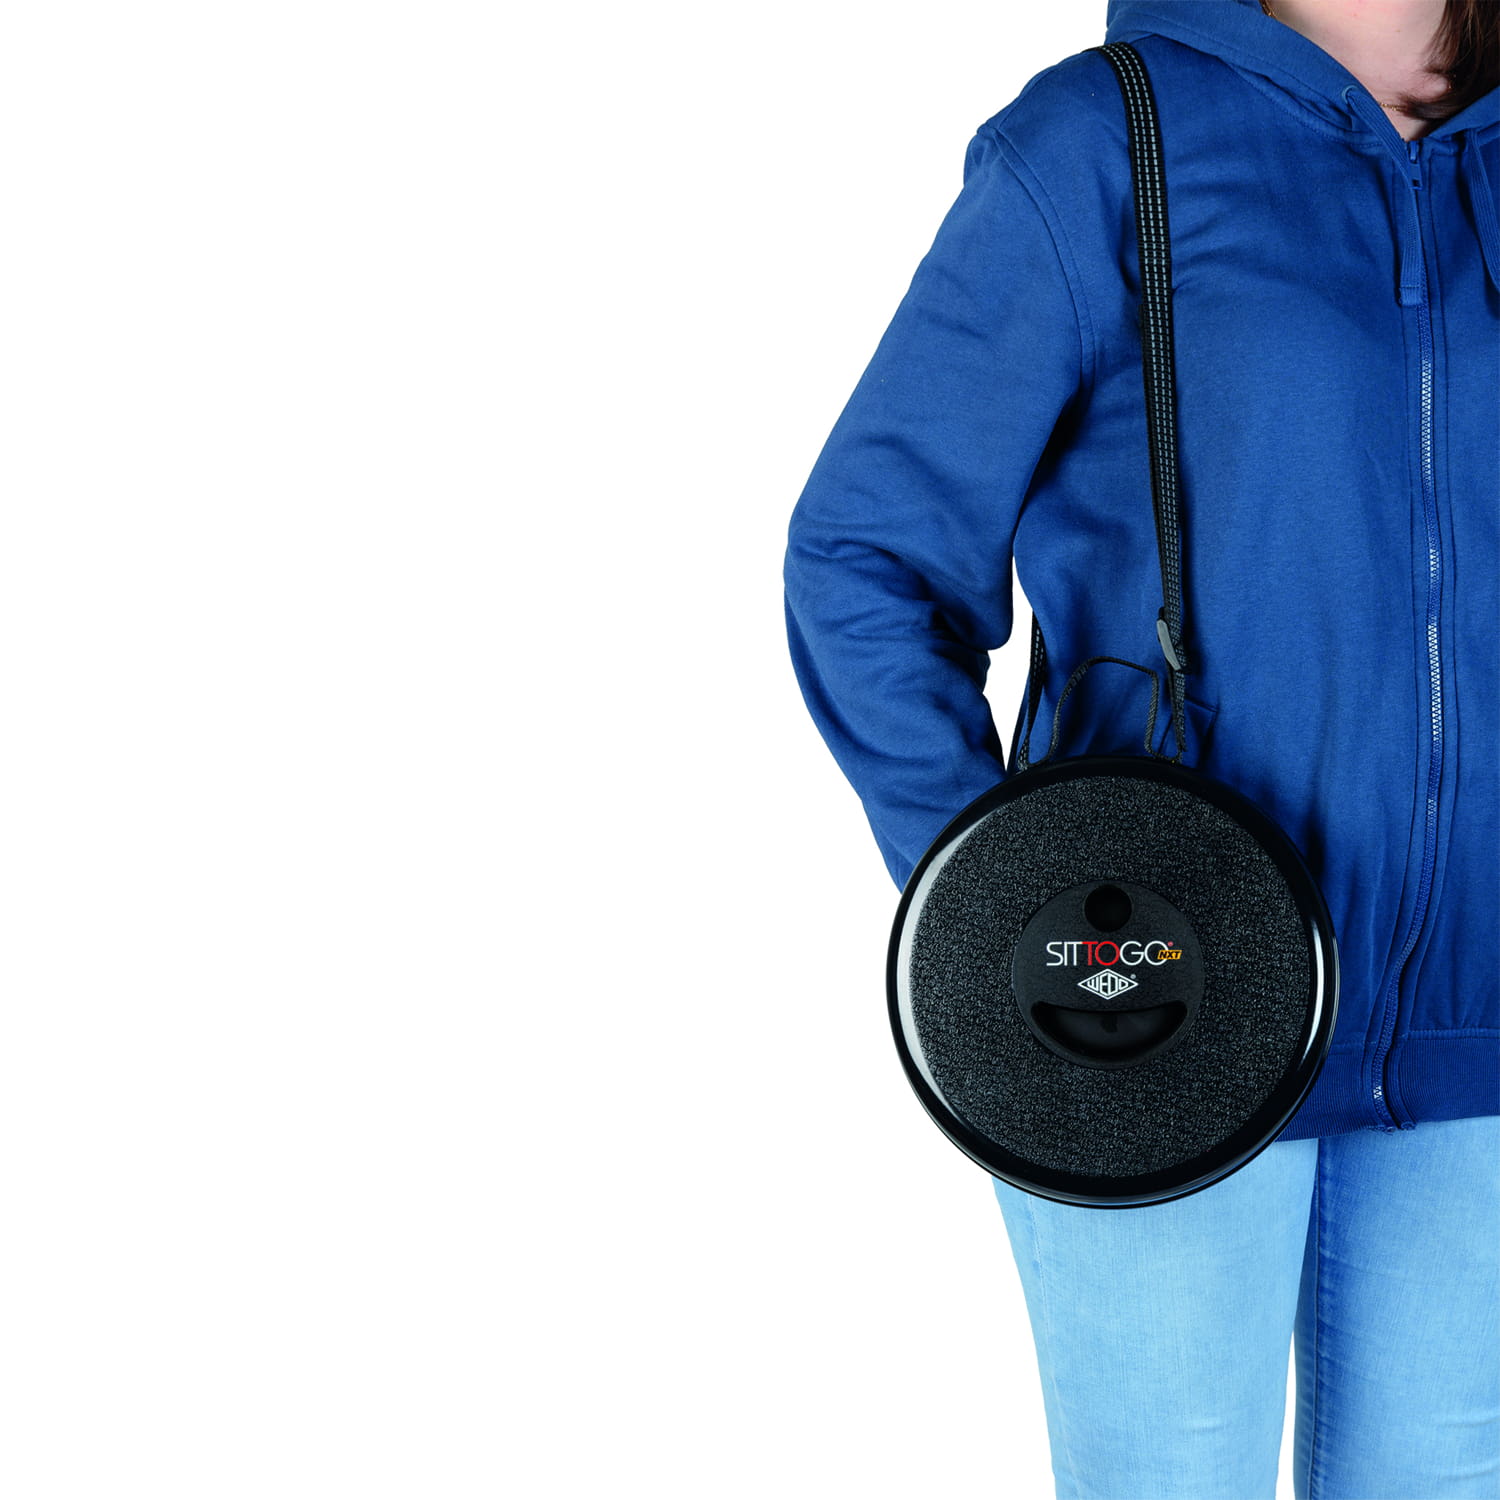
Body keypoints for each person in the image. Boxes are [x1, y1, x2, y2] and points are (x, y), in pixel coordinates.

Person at [781, 0, 1499, 1494]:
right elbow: (867, 555)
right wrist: (1000, 912)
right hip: (1161, 1000)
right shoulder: (1106, 142)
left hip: (1483, 1014)